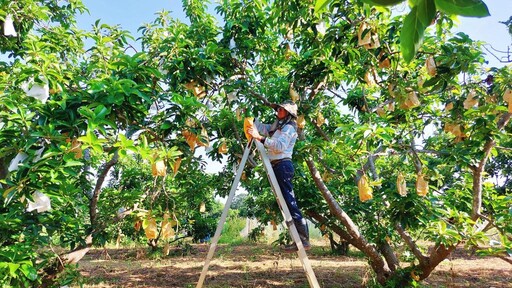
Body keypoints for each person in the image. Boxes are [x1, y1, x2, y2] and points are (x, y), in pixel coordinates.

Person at [247, 100, 310, 252]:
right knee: (285, 203)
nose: (278, 112)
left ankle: (304, 239)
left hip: (283, 165)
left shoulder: (289, 128)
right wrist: (251, 119)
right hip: (276, 166)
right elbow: (262, 128)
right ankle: (298, 239)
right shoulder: (278, 126)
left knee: (290, 201)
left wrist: (260, 138)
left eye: (282, 110)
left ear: (288, 113)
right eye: (278, 109)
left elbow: (280, 146)